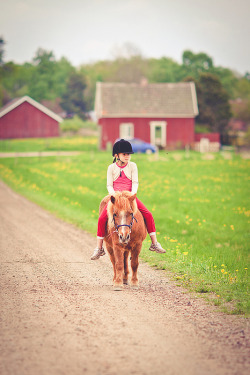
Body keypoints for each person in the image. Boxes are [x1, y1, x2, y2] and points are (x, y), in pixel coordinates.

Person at [91, 139, 166, 260]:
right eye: (124, 154)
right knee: (102, 218)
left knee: (148, 214)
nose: (127, 156)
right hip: (116, 197)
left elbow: (135, 182)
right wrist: (113, 195)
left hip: (129, 197)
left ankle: (154, 243)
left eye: (128, 154)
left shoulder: (133, 166)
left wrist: (132, 195)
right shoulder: (111, 168)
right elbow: (109, 185)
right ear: (117, 155)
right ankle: (99, 248)